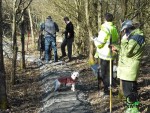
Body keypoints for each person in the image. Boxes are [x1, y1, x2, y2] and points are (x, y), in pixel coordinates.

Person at [111, 20, 145, 113]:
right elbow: (126, 51)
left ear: (129, 28)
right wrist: (117, 48)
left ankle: (134, 110)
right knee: (129, 90)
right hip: (127, 68)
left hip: (130, 68)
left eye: (125, 30)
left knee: (129, 92)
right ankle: (131, 108)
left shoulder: (136, 37)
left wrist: (123, 40)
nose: (124, 32)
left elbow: (128, 52)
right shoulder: (133, 37)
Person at [93, 13, 119, 96]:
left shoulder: (104, 29)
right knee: (110, 72)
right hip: (112, 54)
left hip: (105, 55)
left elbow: (99, 43)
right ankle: (110, 87)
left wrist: (94, 39)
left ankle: (106, 90)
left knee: (104, 73)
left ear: (105, 19)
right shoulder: (114, 28)